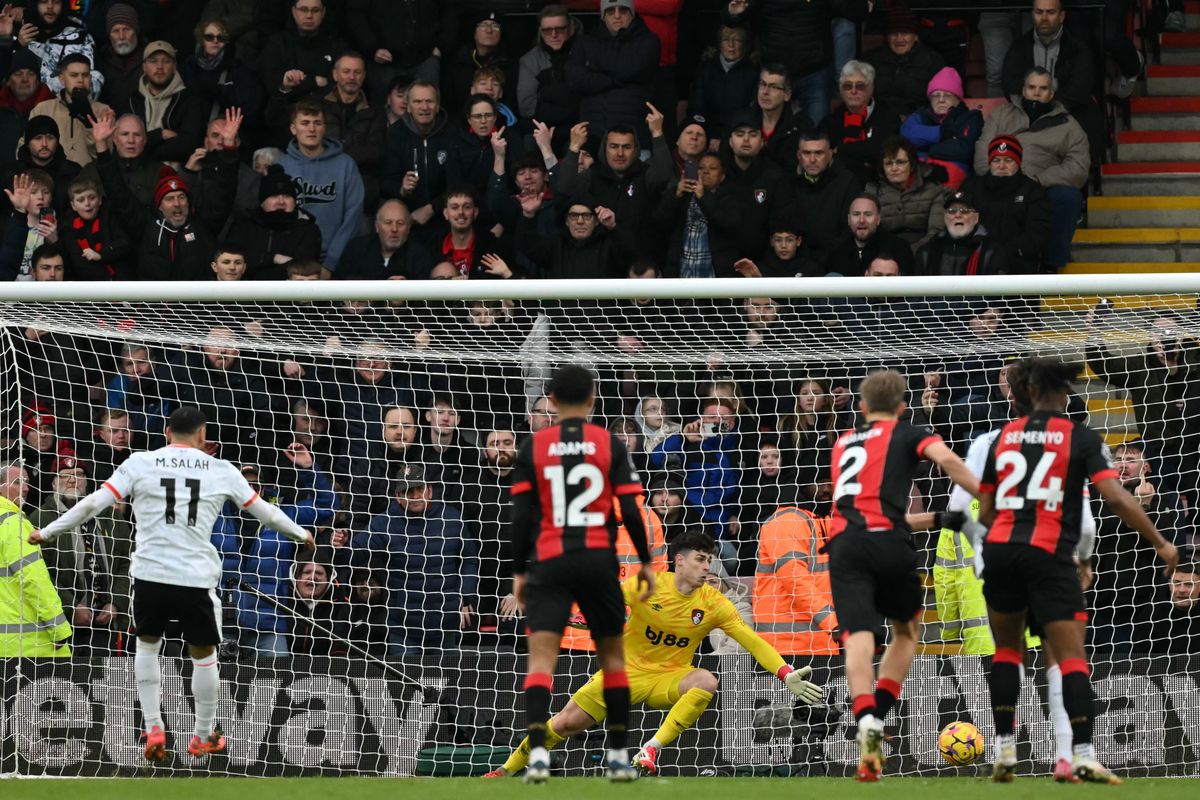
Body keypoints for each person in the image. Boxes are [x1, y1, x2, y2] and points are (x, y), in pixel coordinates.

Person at [30, 407, 317, 762]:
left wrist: (45, 531)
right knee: (204, 657)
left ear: (166, 433)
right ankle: (203, 734)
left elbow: (91, 504)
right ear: (202, 436)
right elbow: (266, 513)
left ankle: (153, 727)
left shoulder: (139, 463)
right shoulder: (221, 470)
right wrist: (300, 533)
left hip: (150, 577)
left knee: (147, 649)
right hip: (195, 579)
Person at [976, 357, 1178, 783]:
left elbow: (989, 508)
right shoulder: (1080, 437)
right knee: (1070, 658)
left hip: (1001, 551)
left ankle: (1005, 749)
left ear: (1028, 392)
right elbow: (1118, 500)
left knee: (1008, 653)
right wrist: (1160, 542)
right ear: (1064, 395)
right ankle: (1082, 753)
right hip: (1049, 554)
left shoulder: (1004, 437)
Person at [487, 530, 823, 780]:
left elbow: (752, 641)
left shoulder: (714, 604)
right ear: (679, 561)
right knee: (563, 723)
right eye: (700, 559)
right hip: (624, 672)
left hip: (668, 678)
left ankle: (650, 750)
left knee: (706, 679)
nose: (708, 567)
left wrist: (784, 671)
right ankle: (505, 770)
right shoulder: (647, 585)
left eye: (710, 560)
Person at [827, 368, 980, 782]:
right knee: (907, 632)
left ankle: (866, 722)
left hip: (845, 546)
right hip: (890, 547)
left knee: (857, 637)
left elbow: (868, 509)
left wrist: (933, 519)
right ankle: (879, 708)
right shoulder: (911, 433)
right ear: (902, 407)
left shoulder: (842, 443)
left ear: (861, 407)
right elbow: (949, 461)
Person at [506, 364, 655, 783]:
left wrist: (519, 571)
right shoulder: (608, 443)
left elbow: (519, 517)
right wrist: (644, 561)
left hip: (551, 562)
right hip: (597, 561)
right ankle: (620, 756)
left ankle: (537, 753)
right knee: (612, 659)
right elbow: (628, 509)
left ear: (550, 401)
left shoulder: (534, 447)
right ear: (592, 400)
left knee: (541, 661)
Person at [278, 99, 366, 270]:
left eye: (317, 123)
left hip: (337, 260)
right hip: (292, 261)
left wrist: (330, 263)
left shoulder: (345, 164)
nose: (311, 129)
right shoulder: (282, 166)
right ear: (293, 128)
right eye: (305, 123)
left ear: (324, 128)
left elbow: (353, 217)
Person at [0, 460, 72, 658]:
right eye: (16, 482)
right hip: (29, 644)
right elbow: (34, 579)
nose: (24, 488)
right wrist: (59, 629)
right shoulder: (13, 524)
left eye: (26, 482)